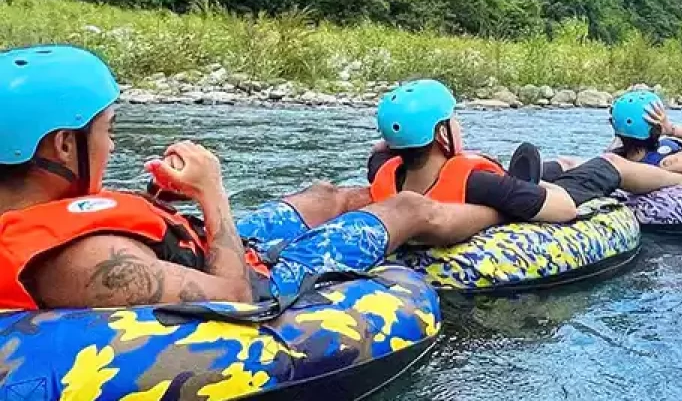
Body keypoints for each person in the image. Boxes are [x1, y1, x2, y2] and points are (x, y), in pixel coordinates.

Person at [0, 46, 501, 311]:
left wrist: (159, 204)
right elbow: (235, 296)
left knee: (325, 196)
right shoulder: (86, 263)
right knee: (408, 209)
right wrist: (212, 192)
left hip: (204, 249)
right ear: (62, 145)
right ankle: (500, 205)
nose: (111, 145)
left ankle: (439, 187)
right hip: (261, 281)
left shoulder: (32, 207)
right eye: (107, 130)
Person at [366, 79, 580, 223]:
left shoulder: (380, 170)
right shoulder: (480, 184)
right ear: (442, 133)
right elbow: (566, 208)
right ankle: (565, 166)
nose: (459, 125)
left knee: (556, 165)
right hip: (511, 186)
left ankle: (561, 165)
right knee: (566, 169)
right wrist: (534, 186)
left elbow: (380, 149)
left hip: (438, 158)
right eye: (453, 119)